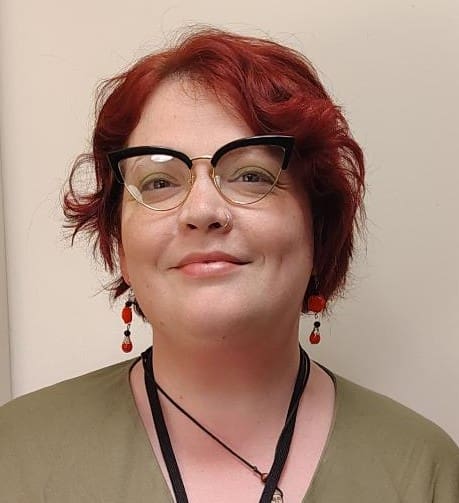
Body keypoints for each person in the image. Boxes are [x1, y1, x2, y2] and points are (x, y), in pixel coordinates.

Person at [0, 28, 458, 503]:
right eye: (158, 182)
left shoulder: (423, 473)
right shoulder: (13, 457)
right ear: (120, 245)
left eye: (251, 175)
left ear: (318, 231)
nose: (201, 211)